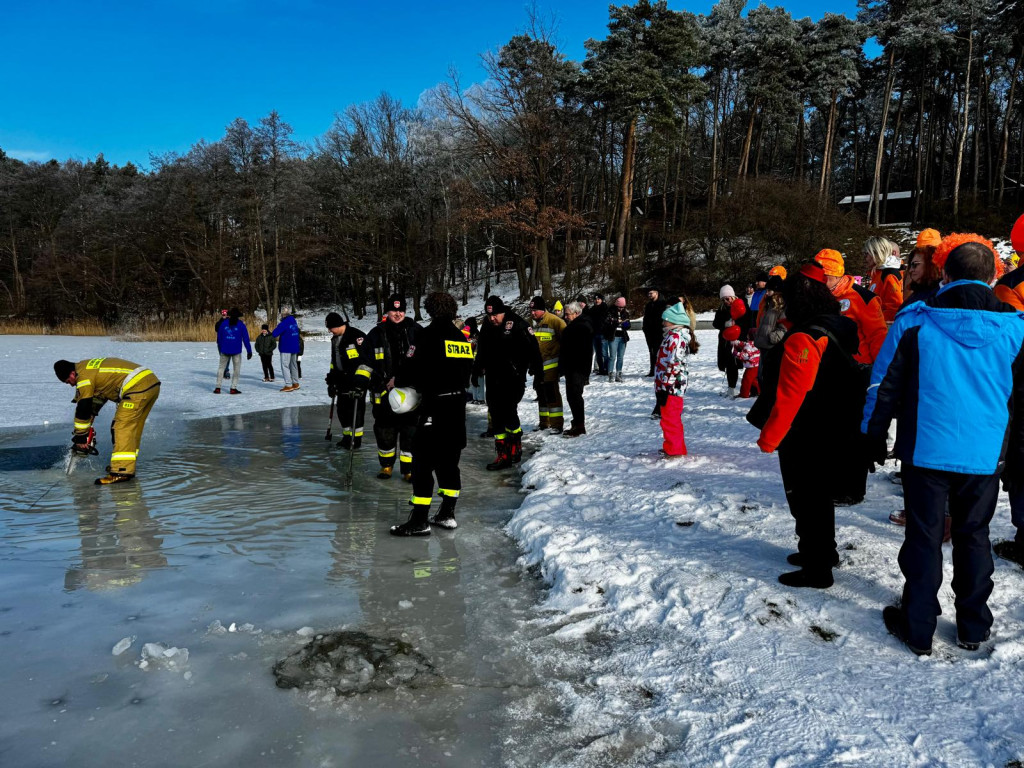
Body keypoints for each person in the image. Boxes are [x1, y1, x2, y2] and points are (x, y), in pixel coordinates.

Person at [862, 237, 1024, 656]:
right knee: (974, 536)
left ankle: (918, 628)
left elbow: (883, 384)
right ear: (994, 277)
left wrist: (872, 435)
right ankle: (974, 625)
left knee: (924, 537)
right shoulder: (1016, 326)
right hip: (986, 453)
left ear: (946, 275)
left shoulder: (915, 320)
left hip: (926, 449)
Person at [753, 263, 862, 589]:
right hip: (834, 425)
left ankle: (817, 568)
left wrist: (769, 438)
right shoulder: (838, 324)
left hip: (806, 432)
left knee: (807, 499)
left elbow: (791, 394)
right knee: (819, 498)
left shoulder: (805, 337)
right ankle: (823, 554)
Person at [389, 292, 473, 536]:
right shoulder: (461, 338)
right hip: (457, 406)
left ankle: (419, 520)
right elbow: (466, 372)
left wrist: (399, 381)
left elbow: (409, 368)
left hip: (434, 406)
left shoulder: (425, 335)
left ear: (430, 310)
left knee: (422, 463)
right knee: (449, 460)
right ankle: (447, 513)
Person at [53, 358, 161, 485]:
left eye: (68, 382)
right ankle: (126, 466)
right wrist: (89, 421)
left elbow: (83, 407)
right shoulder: (86, 367)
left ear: (72, 374)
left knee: (121, 427)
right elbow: (97, 398)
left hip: (137, 388)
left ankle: (121, 471)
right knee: (133, 428)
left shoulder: (83, 378)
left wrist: (81, 437)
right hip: (150, 384)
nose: (71, 385)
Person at [472, 296, 541, 470]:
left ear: (502, 312)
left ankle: (515, 446)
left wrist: (537, 370)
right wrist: (476, 369)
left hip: (513, 377)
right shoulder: (487, 325)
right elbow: (482, 349)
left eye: (495, 315)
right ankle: (503, 454)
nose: (492, 318)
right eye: (489, 316)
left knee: (509, 412)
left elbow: (533, 347)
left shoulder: (517, 323)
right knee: (495, 414)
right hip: (493, 376)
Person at [361, 294, 419, 480]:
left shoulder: (415, 330)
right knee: (385, 430)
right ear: (387, 311)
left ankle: (408, 469)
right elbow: (365, 362)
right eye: (394, 310)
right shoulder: (375, 334)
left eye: (401, 310)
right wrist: (364, 381)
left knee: (410, 431)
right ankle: (386, 466)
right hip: (383, 390)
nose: (398, 314)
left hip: (410, 391)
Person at [814, 249, 888, 366]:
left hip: (858, 369)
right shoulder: (815, 296)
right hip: (825, 368)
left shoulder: (863, 298)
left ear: (836, 274)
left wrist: (879, 374)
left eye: (824, 276)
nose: (818, 281)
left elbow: (878, 337)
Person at [655, 302, 694, 457]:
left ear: (673, 321)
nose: (663, 322)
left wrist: (666, 385)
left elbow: (674, 363)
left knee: (670, 419)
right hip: (669, 384)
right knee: (668, 417)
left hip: (672, 386)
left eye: (665, 320)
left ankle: (675, 450)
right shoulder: (672, 336)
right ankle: (672, 446)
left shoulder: (676, 338)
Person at [325, 311, 368, 450]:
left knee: (355, 410)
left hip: (357, 380)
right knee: (342, 409)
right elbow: (334, 360)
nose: (329, 331)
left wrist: (361, 381)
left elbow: (366, 360)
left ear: (338, 325)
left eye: (330, 328)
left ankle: (356, 439)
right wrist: (331, 379)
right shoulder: (335, 339)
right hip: (341, 379)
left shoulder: (356, 336)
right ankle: (347, 437)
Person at [528, 296, 567, 433]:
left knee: (552, 394)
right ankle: (544, 423)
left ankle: (557, 424)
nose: (533, 313)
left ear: (542, 309)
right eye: (531, 310)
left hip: (551, 365)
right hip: (538, 367)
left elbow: (567, 341)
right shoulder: (532, 323)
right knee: (541, 394)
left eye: (535, 310)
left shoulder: (555, 321)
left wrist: (563, 364)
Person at [560, 301, 593, 437]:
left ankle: (580, 425)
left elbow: (581, 351)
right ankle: (577, 422)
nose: (565, 317)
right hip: (573, 367)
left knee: (575, 396)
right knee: (572, 396)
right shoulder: (577, 325)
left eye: (567, 314)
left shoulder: (581, 327)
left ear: (576, 313)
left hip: (577, 368)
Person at [712, 285, 747, 396]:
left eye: (727, 298)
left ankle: (750, 388)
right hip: (725, 340)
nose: (726, 301)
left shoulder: (742, 305)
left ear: (732, 296)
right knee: (729, 364)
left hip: (739, 340)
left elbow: (748, 322)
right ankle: (731, 388)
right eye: (723, 299)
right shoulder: (721, 309)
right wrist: (725, 324)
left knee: (743, 364)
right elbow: (715, 323)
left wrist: (737, 328)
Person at [863, 236, 904, 324]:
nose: (864, 257)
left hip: (883, 328)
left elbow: (894, 307)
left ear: (877, 253)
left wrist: (875, 322)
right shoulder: (877, 274)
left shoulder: (889, 274)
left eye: (867, 253)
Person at [901, 229, 943, 309]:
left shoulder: (942, 293)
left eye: (915, 265)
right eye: (911, 265)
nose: (911, 270)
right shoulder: (918, 285)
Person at [214, 307, 252, 394]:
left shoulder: (224, 324)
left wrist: (221, 346)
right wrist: (249, 351)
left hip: (225, 349)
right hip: (236, 351)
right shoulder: (241, 325)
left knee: (221, 368)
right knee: (236, 370)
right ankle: (233, 388)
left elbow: (219, 337)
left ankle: (218, 387)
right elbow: (246, 339)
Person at [271, 307, 302, 391]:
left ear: (283, 315)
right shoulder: (293, 321)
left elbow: (275, 333)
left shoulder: (284, 323)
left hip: (286, 347)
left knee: (285, 365)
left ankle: (288, 385)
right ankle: (295, 383)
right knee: (294, 365)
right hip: (295, 346)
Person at [602, 296, 631, 382]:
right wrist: (615, 322)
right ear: (616, 305)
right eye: (619, 307)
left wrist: (624, 324)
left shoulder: (625, 313)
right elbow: (606, 324)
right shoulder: (610, 312)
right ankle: (610, 373)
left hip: (623, 337)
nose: (621, 309)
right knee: (612, 356)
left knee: (620, 357)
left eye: (622, 307)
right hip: (613, 337)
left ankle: (619, 373)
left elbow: (628, 325)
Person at [642, 288, 668, 377]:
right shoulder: (649, 305)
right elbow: (646, 317)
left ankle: (661, 370)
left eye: (651, 293)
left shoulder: (663, 304)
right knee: (652, 352)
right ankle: (652, 370)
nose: (649, 295)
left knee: (660, 351)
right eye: (648, 293)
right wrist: (645, 328)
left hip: (659, 332)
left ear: (656, 293)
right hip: (649, 332)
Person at [464, 317, 486, 403]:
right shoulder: (467, 334)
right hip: (470, 360)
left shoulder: (477, 334)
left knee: (479, 378)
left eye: (468, 325)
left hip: (478, 360)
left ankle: (480, 398)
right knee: (473, 379)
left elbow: (479, 348)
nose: (467, 327)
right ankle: (475, 397)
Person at [734, 329, 760, 398]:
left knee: (746, 381)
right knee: (753, 380)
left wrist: (736, 354)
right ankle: (759, 391)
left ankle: (744, 394)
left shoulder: (748, 346)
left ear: (749, 336)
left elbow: (746, 356)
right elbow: (744, 344)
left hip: (751, 367)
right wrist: (737, 342)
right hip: (757, 366)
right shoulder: (757, 343)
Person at [587, 294, 610, 375]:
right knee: (598, 353)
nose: (597, 300)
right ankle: (601, 369)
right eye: (595, 299)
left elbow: (607, 321)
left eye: (599, 299)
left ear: (602, 300)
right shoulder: (592, 309)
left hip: (603, 333)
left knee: (604, 353)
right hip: (594, 333)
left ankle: (607, 369)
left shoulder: (605, 308)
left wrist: (605, 329)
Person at [215, 309, 231, 379]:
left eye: (225, 314)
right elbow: (217, 329)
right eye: (223, 314)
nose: (224, 315)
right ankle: (224, 371)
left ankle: (226, 371)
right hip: (221, 342)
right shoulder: (219, 323)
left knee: (227, 357)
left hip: (229, 342)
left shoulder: (231, 322)